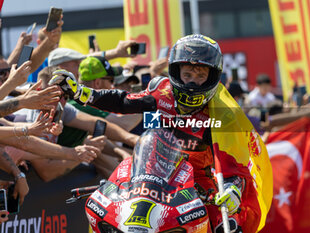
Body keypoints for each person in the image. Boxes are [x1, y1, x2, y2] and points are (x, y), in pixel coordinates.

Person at [50, 34, 269, 232]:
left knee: (226, 226)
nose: (192, 81)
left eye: (200, 75)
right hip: (151, 168)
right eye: (187, 74)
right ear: (176, 72)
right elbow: (124, 101)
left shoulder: (224, 115)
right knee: (106, 208)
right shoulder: (161, 90)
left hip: (198, 178)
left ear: (212, 77)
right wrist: (81, 93)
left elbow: (235, 164)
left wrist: (233, 189)